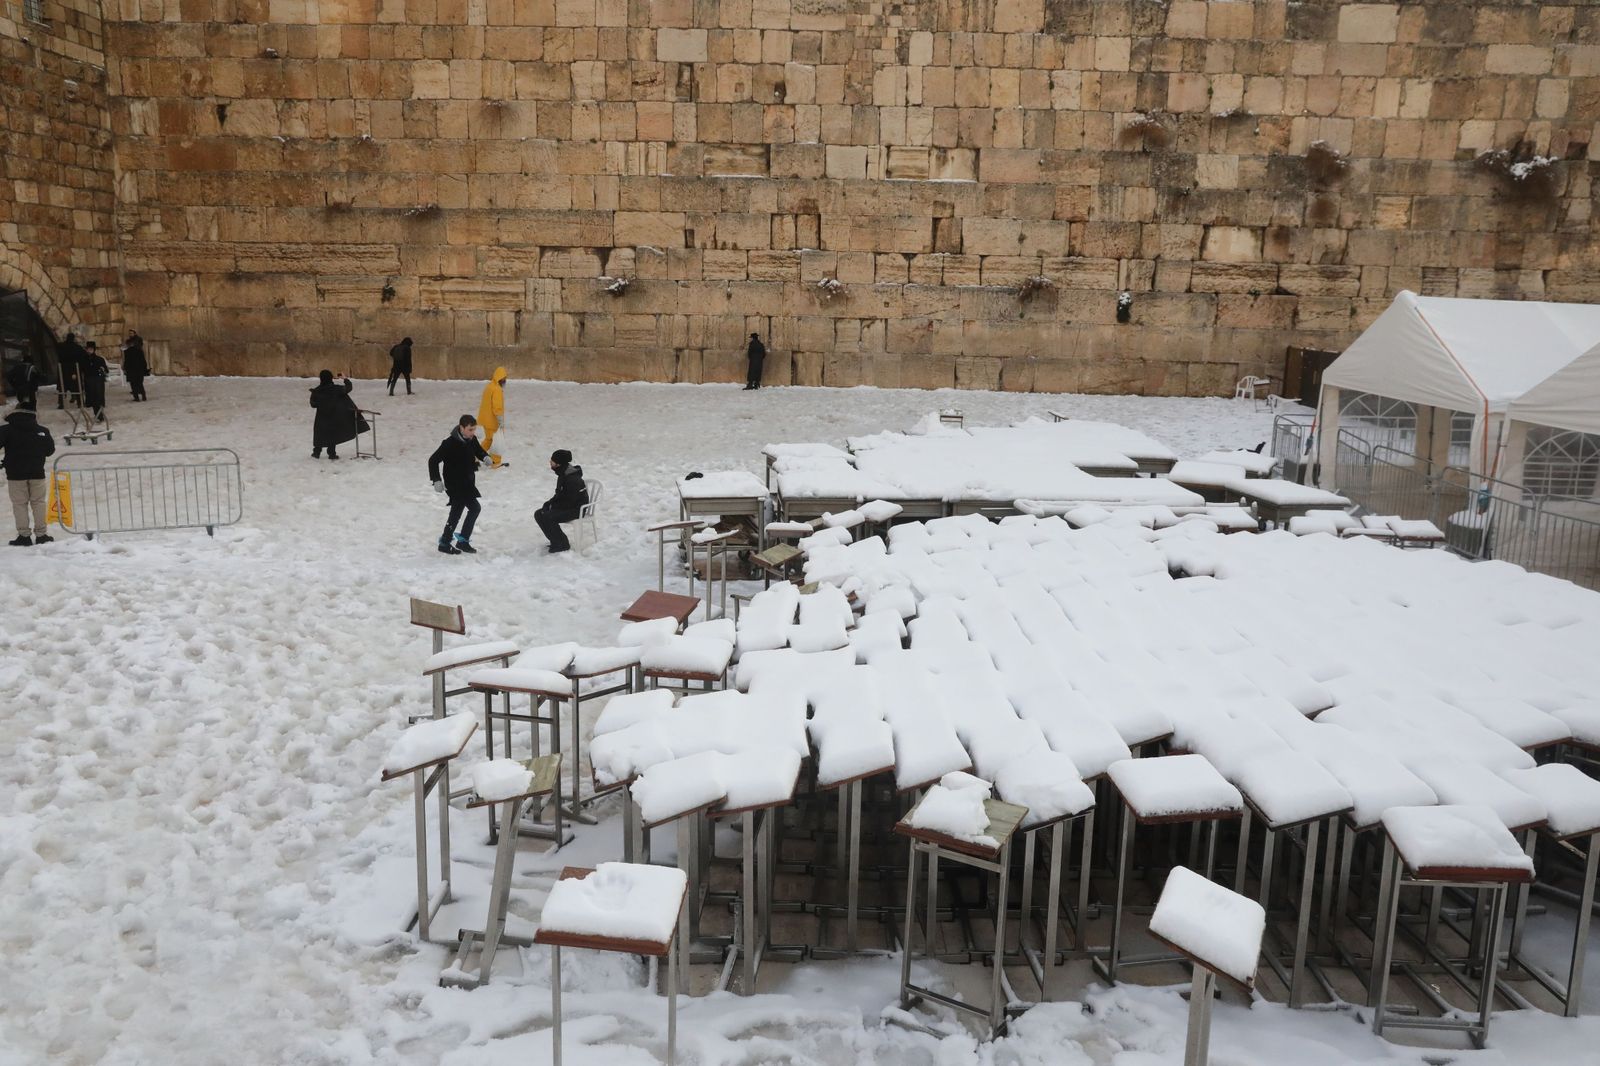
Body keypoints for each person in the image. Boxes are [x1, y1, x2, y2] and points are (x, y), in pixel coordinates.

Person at [428, 414, 488, 554]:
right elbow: (433, 460)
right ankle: (455, 541)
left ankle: (451, 541)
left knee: (461, 511)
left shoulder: (471, 439)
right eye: (470, 429)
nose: (473, 433)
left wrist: (485, 457)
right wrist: (436, 479)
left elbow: (478, 450)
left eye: (474, 429)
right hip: (454, 484)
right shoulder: (449, 443)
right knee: (471, 508)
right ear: (461, 428)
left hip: (467, 482)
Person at [0, 406, 56, 546]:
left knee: (19, 504)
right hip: (37, 473)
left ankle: (24, 536)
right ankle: (41, 535)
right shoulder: (42, 430)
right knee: (38, 503)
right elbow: (50, 451)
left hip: (15, 474)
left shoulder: (6, 430)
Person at [534, 449, 589, 554]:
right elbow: (560, 495)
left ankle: (562, 544)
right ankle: (556, 541)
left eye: (552, 461)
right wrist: (549, 503)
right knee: (539, 513)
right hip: (568, 506)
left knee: (547, 516)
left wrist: (553, 507)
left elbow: (571, 501)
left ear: (559, 463)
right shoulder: (563, 474)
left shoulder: (572, 479)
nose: (550, 462)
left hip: (577, 509)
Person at [308, 369, 358, 460]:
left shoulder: (317, 391)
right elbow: (348, 387)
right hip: (333, 416)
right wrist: (345, 378)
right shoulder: (336, 389)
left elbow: (313, 404)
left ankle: (316, 452)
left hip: (321, 416)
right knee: (332, 434)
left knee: (320, 433)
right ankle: (332, 453)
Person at [476, 366, 508, 467]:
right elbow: (497, 407)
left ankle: (475, 456)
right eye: (504, 378)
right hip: (492, 421)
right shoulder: (497, 390)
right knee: (496, 440)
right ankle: (495, 461)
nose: (505, 380)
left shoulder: (490, 386)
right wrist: (500, 420)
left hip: (486, 419)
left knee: (489, 440)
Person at [56, 333, 86, 410]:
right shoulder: (77, 348)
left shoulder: (61, 347)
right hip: (74, 369)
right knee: (77, 386)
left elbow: (59, 357)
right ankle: (80, 402)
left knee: (63, 387)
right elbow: (82, 358)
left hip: (63, 370)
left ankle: (61, 403)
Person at [83, 341, 109, 422]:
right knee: (93, 398)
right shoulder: (84, 359)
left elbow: (106, 370)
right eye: (88, 349)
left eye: (91, 349)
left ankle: (100, 415)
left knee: (99, 398)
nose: (89, 351)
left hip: (98, 381)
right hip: (89, 381)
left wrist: (103, 370)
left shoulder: (99, 359)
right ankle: (97, 414)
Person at [122, 331, 149, 402]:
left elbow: (142, 359)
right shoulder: (128, 350)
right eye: (129, 333)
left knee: (139, 382)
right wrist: (125, 367)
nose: (130, 334)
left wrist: (144, 367)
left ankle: (143, 396)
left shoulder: (138, 349)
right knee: (133, 383)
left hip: (138, 367)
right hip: (131, 367)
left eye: (131, 333)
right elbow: (126, 358)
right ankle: (136, 397)